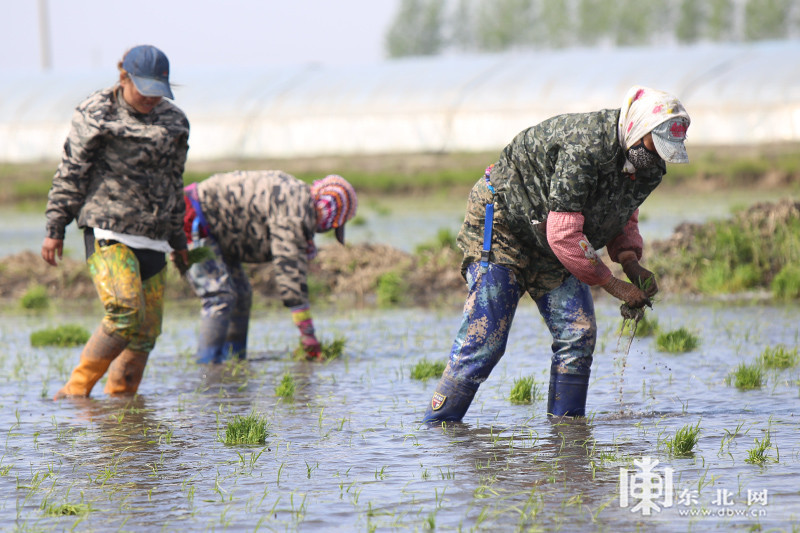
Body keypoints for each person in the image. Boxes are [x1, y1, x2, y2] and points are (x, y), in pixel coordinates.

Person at [422, 85, 691, 422]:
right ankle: (437, 429)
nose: (658, 158)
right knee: (486, 339)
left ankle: (568, 439)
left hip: (553, 241)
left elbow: (623, 212)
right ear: (637, 129)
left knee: (577, 333)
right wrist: (613, 284)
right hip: (506, 224)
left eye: (666, 152)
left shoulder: (649, 167)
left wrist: (629, 260)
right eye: (655, 148)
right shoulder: (586, 147)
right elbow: (563, 233)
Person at [42, 45, 190, 399]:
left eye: (159, 91)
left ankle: (122, 415)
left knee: (146, 332)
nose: (152, 99)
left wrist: (180, 242)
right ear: (124, 77)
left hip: (154, 237)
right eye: (145, 90)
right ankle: (74, 394)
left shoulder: (175, 122)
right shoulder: (96, 112)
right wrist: (55, 227)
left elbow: (174, 182)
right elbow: (72, 171)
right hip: (109, 229)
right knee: (124, 312)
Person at [181, 170, 357, 363]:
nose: (323, 231)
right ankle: (207, 369)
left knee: (241, 294)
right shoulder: (295, 208)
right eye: (330, 226)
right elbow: (289, 272)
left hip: (215, 231)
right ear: (327, 211)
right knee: (219, 297)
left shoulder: (298, 200)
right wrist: (308, 335)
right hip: (193, 219)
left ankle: (233, 363)